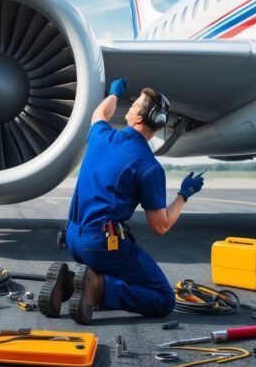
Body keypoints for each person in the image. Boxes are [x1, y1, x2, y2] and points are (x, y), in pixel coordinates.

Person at [38, 77, 204, 324]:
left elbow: (100, 112)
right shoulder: (149, 166)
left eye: (134, 106)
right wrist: (184, 195)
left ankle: (69, 284)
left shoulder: (100, 135)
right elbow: (161, 226)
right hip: (102, 247)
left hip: (72, 238)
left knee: (117, 269)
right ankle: (98, 288)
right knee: (163, 299)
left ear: (139, 119)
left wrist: (114, 93)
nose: (129, 107)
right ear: (157, 122)